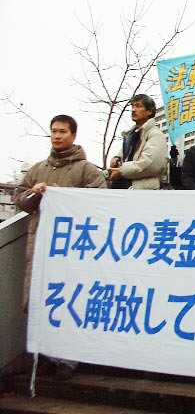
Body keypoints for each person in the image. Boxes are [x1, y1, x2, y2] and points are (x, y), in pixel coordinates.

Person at [14, 114, 106, 381]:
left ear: (73, 135)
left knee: (71, 298)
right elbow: (20, 199)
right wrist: (34, 193)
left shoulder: (87, 169)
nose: (57, 136)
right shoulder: (37, 169)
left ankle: (69, 359)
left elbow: (101, 201)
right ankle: (47, 356)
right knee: (43, 297)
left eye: (62, 131)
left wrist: (68, 197)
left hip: (74, 247)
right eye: (53, 131)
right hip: (42, 245)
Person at [108, 94, 168, 189]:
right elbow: (123, 156)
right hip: (124, 189)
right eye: (132, 106)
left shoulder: (155, 134)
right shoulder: (130, 135)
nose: (133, 110)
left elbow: (151, 164)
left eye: (138, 106)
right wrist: (116, 159)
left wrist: (122, 171)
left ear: (149, 111)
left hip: (143, 191)